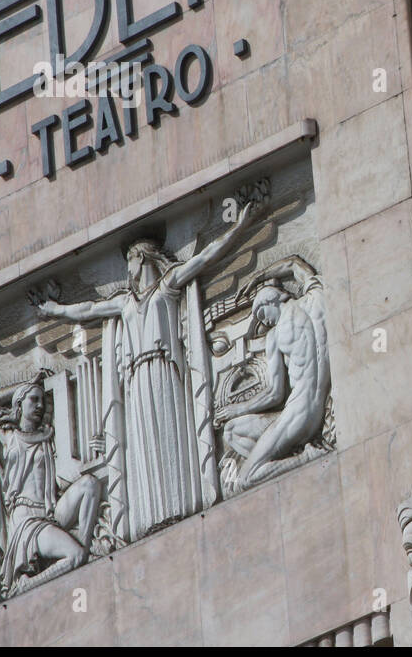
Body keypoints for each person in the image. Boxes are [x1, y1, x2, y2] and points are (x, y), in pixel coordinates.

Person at [29, 198, 261, 538]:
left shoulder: (168, 286)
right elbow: (90, 309)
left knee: (170, 436)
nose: (129, 268)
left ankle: (179, 503)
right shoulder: (125, 301)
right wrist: (55, 310)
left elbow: (206, 256)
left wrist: (239, 226)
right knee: (144, 445)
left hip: (165, 374)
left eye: (131, 260)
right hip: (137, 383)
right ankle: (152, 514)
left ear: (143, 257)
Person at [215, 279, 330, 490]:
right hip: (312, 408)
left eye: (261, 314)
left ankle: (305, 457)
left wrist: (235, 409)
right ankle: (280, 454)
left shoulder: (275, 336)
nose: (264, 321)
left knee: (247, 478)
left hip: (298, 412)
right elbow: (298, 269)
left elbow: (275, 395)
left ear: (270, 301)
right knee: (231, 431)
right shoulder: (312, 302)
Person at [0, 376, 102, 597]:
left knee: (90, 484)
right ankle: (26, 585)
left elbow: (65, 472)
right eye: (33, 399)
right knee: (74, 556)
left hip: (50, 512)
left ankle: (85, 542)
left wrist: (101, 449)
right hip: (27, 519)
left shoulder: (46, 437)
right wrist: (33, 381)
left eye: (42, 400)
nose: (40, 405)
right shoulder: (9, 436)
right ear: (19, 404)